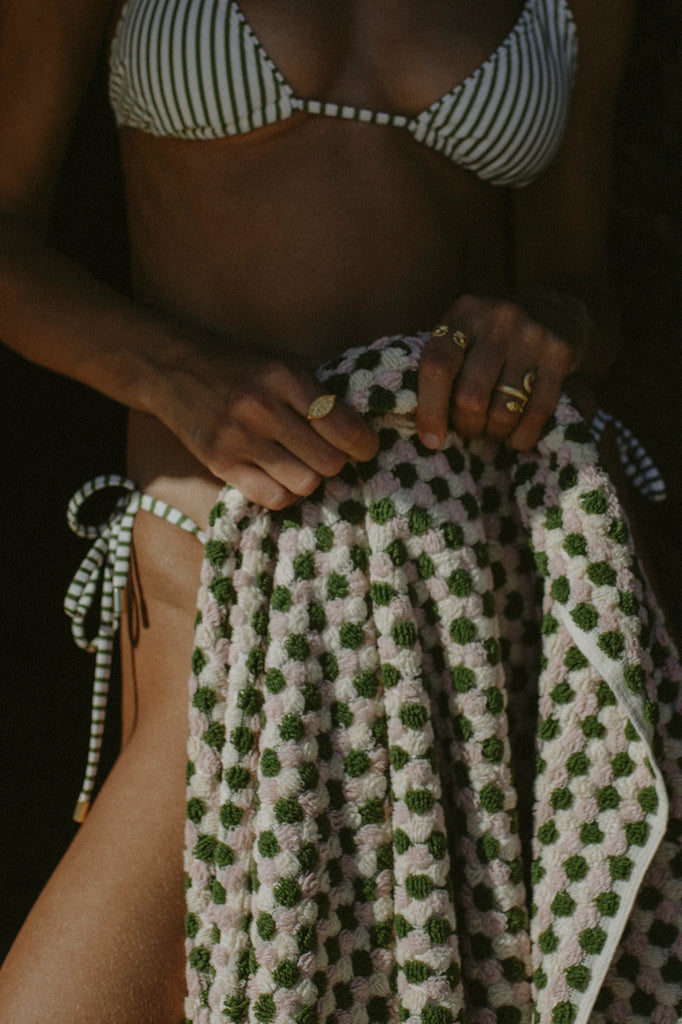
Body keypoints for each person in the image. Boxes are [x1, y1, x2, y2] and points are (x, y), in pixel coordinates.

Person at [2, 2, 682, 1023]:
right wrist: (174, 372)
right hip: (210, 585)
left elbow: (574, 276)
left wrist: (551, 323)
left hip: (454, 606)